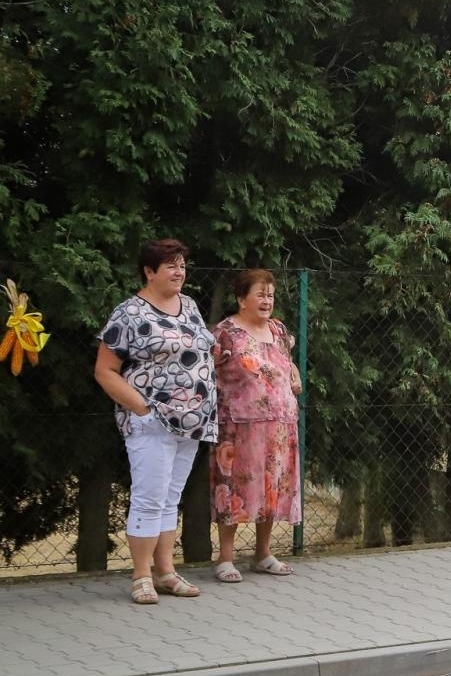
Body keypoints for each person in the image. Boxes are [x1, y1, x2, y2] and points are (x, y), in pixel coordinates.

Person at [94, 239, 218, 604]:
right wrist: (142, 410)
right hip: (152, 423)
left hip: (192, 423)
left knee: (169, 499)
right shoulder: (129, 313)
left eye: (182, 265)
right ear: (149, 271)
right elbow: (105, 371)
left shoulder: (190, 305)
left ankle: (166, 573)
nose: (179, 272)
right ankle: (141, 576)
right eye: (171, 266)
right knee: (149, 499)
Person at [210, 269, 303, 580]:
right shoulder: (225, 333)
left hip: (280, 424)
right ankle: (225, 558)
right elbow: (207, 374)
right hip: (238, 426)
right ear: (241, 299)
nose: (267, 301)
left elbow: (284, 362)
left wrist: (294, 373)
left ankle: (263, 553)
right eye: (260, 295)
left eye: (271, 295)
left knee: (273, 487)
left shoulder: (278, 330)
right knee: (232, 489)